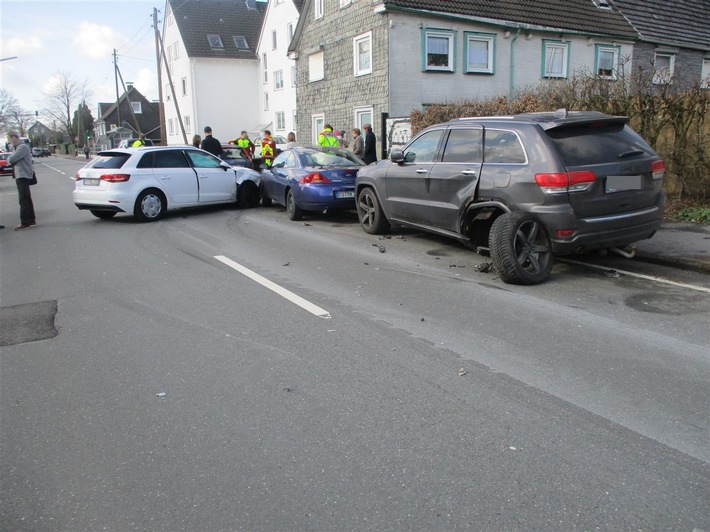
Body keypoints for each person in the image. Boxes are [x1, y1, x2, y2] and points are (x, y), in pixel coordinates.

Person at [7, 131, 36, 230]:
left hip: (23, 175)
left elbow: (11, 159)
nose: (9, 141)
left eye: (9, 139)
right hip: (21, 175)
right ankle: (31, 220)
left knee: (23, 199)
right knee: (27, 198)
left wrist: (10, 159)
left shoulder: (22, 147)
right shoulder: (17, 147)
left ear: (14, 137)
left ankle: (25, 222)